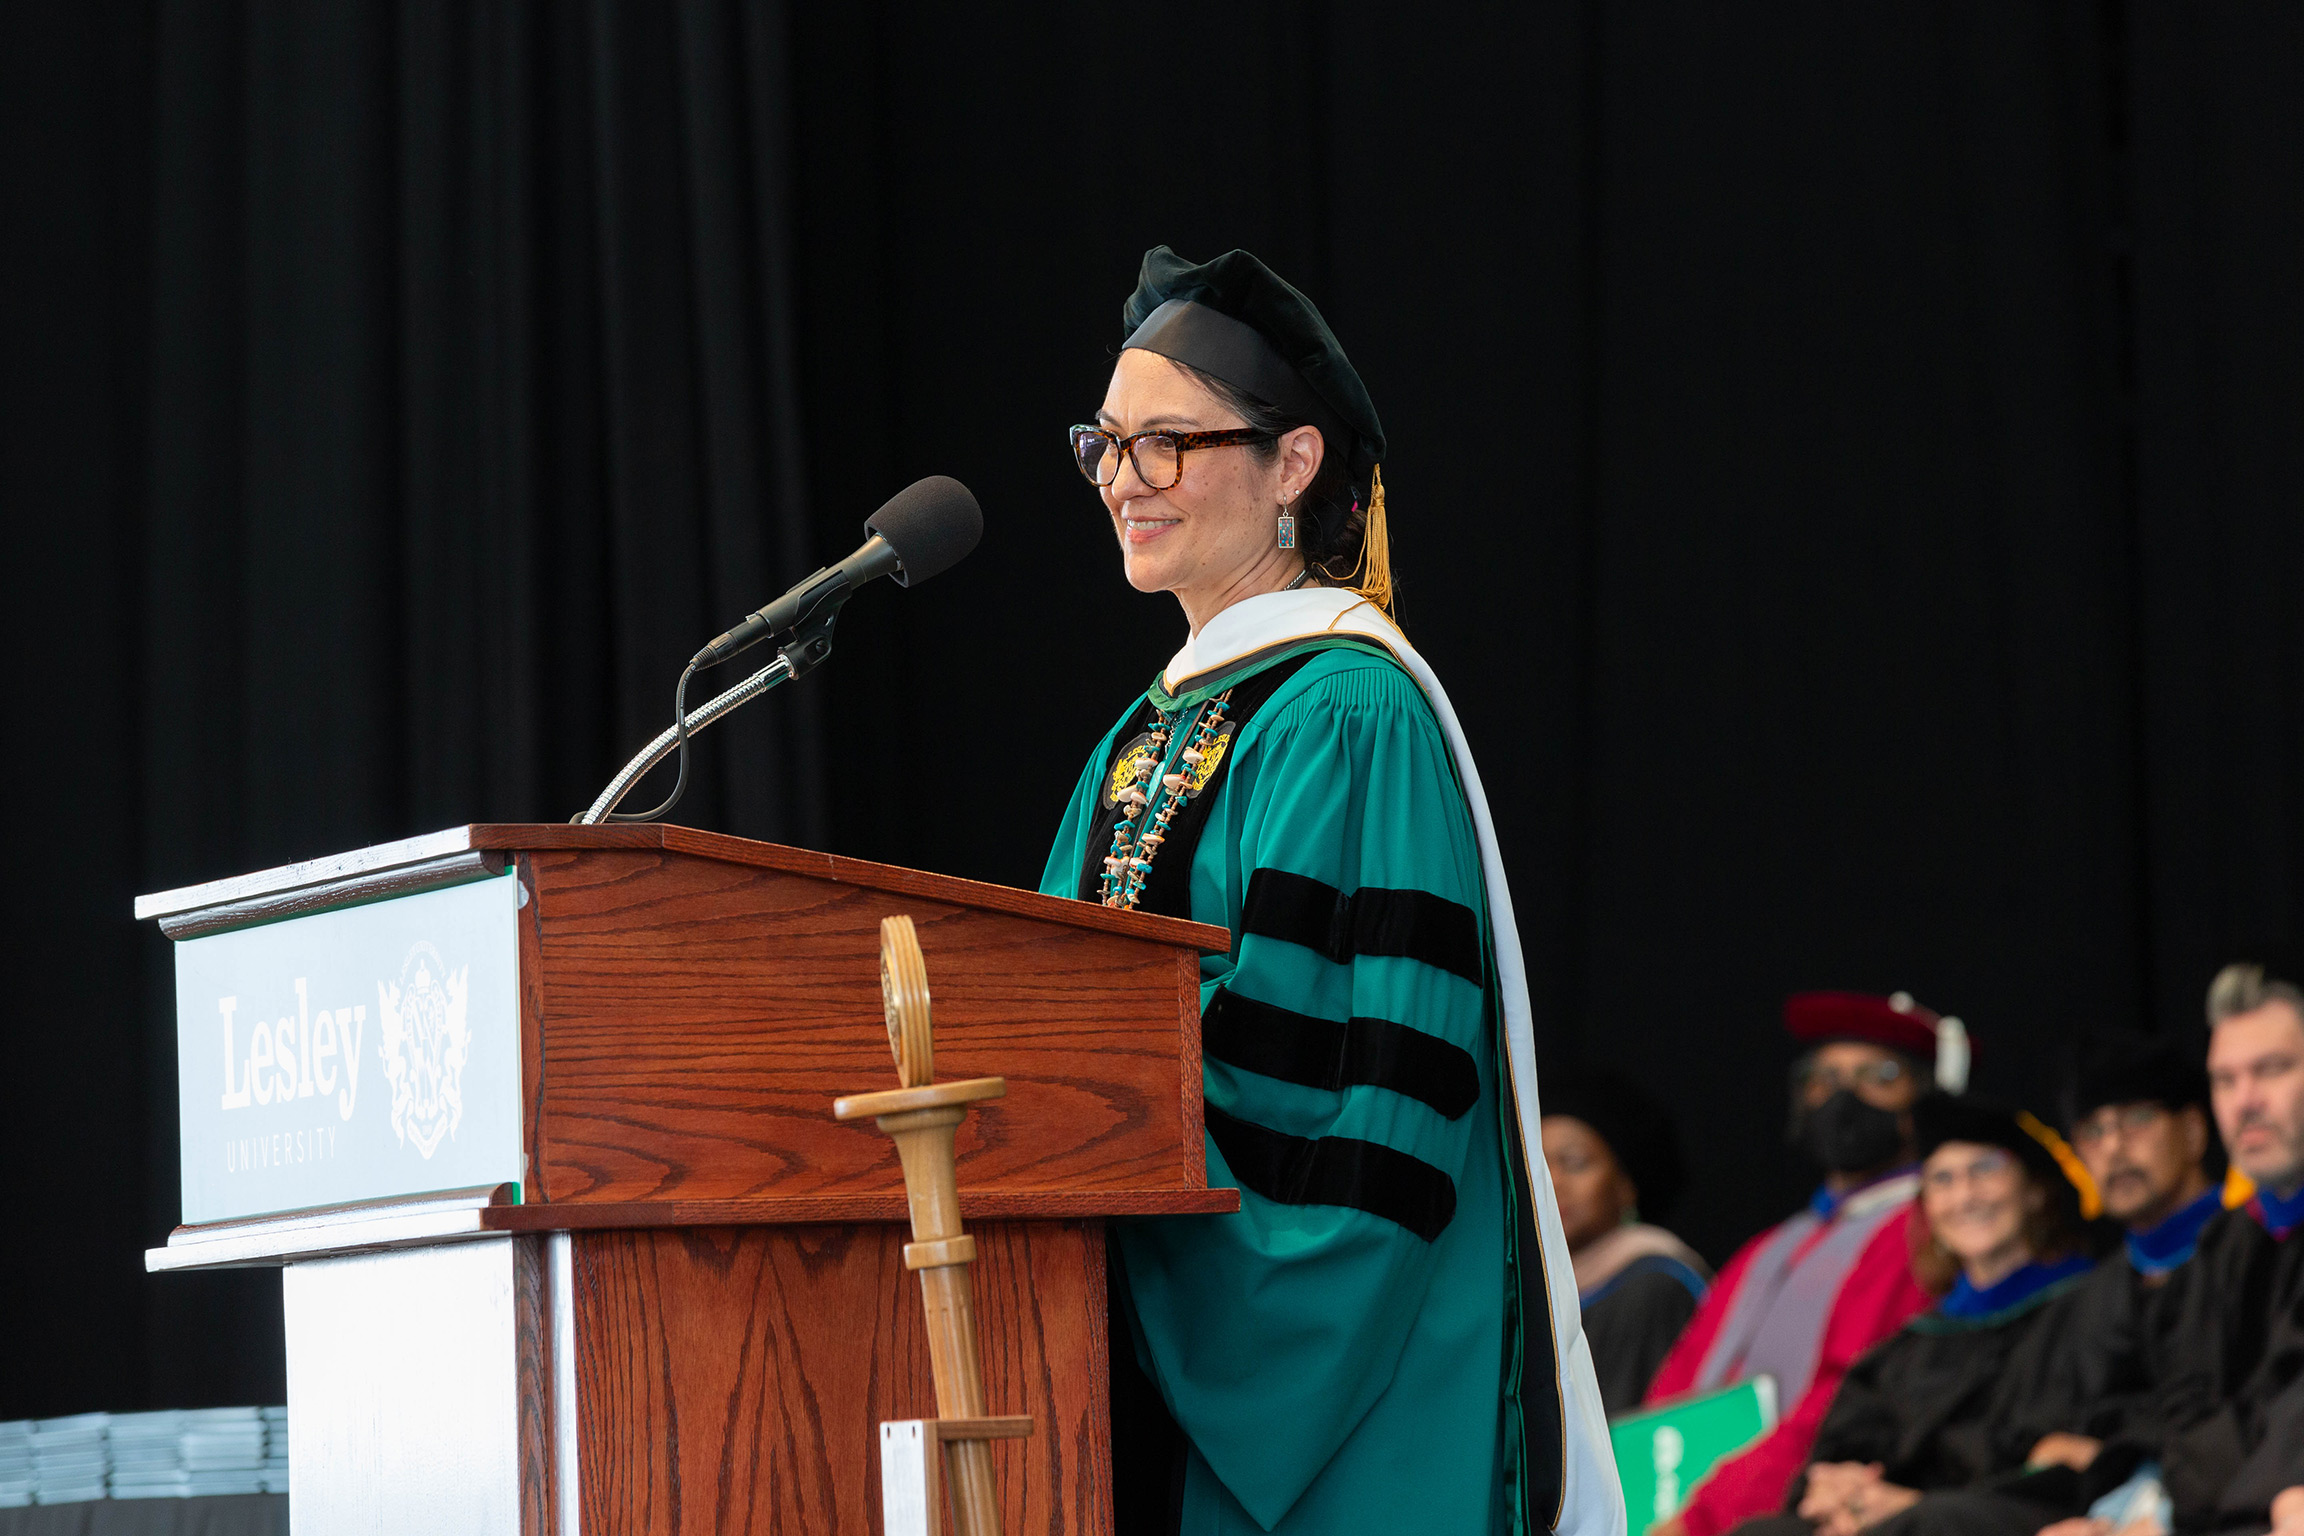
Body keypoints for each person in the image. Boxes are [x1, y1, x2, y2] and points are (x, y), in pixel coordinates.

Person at [1038, 246, 1622, 1536]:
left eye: (1168, 445)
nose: (1124, 483)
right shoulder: (1146, 732)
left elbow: (1355, 1097)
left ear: (1293, 464)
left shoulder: (1348, 709)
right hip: (1146, 1339)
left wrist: (1123, 1213)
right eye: (1106, 445)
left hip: (1338, 1378)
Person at [1646, 992, 1957, 1536]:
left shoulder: (1922, 1231)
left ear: (1921, 1103)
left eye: (1878, 1076)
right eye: (1825, 1077)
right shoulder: (1769, 1247)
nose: (1844, 1096)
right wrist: (1640, 1491)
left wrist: (1699, 1518)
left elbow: (1840, 1401)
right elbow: (1677, 1384)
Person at [1725, 1097, 2097, 1536]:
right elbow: (1840, 1451)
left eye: (1985, 1169)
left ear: (2033, 1190)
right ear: (1927, 1208)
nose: (1965, 1195)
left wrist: (1909, 1504)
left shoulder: (2086, 1308)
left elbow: (2062, 1456)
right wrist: (1842, 1492)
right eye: (1943, 1179)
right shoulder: (1915, 1343)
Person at [1544, 1064, 1712, 1414]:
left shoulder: (1653, 1287)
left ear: (1625, 1185)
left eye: (1574, 1163)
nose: (1552, 1182)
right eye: (1538, 1166)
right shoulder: (1536, 1292)